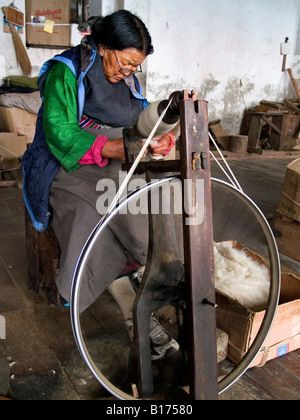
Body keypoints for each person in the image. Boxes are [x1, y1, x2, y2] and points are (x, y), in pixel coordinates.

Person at [22, 9, 178, 359]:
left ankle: (154, 265)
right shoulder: (66, 70)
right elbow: (60, 134)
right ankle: (140, 273)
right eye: (124, 64)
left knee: (158, 186)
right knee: (103, 203)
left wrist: (158, 138)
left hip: (114, 155)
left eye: (135, 67)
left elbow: (139, 121)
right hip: (62, 163)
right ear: (104, 46)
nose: (129, 72)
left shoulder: (127, 78)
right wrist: (112, 147)